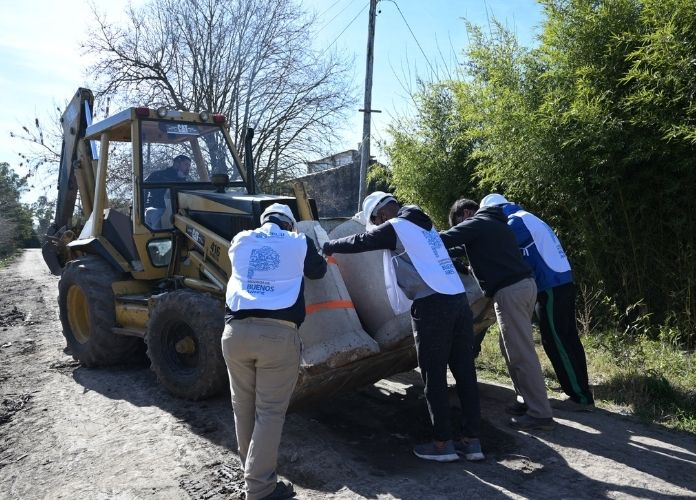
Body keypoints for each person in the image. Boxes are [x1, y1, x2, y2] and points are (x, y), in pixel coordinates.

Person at [322, 192, 485, 463]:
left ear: (381, 214)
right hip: (458, 301)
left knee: (434, 377)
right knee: (465, 372)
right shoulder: (426, 225)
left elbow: (361, 241)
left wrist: (329, 246)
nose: (376, 227)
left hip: (432, 305)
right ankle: (472, 442)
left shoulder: (396, 226)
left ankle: (443, 443)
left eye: (375, 222)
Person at [222, 203, 327, 500]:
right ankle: (259, 488)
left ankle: (252, 475)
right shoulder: (298, 241)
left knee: (243, 407)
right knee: (269, 413)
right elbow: (318, 272)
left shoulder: (241, 239)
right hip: (277, 336)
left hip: (235, 333)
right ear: (290, 225)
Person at [440, 198, 555, 431]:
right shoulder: (494, 224)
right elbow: (466, 248)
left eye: (458, 222)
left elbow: (445, 239)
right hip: (523, 286)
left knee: (521, 352)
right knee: (509, 347)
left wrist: (414, 235)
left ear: (467, 213)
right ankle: (526, 401)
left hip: (510, 291)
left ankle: (540, 414)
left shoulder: (479, 222)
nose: (460, 226)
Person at [480, 193, 594, 410]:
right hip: (560, 282)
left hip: (550, 285)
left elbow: (496, 246)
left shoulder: (515, 222)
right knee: (567, 339)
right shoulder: (527, 217)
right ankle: (580, 390)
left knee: (556, 341)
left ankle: (580, 398)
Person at [144, 154, 191, 228]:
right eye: (186, 164)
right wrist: (145, 205)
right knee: (159, 232)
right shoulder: (158, 175)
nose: (188, 168)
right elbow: (143, 189)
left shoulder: (183, 181)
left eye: (189, 165)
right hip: (157, 209)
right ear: (177, 164)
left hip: (175, 211)